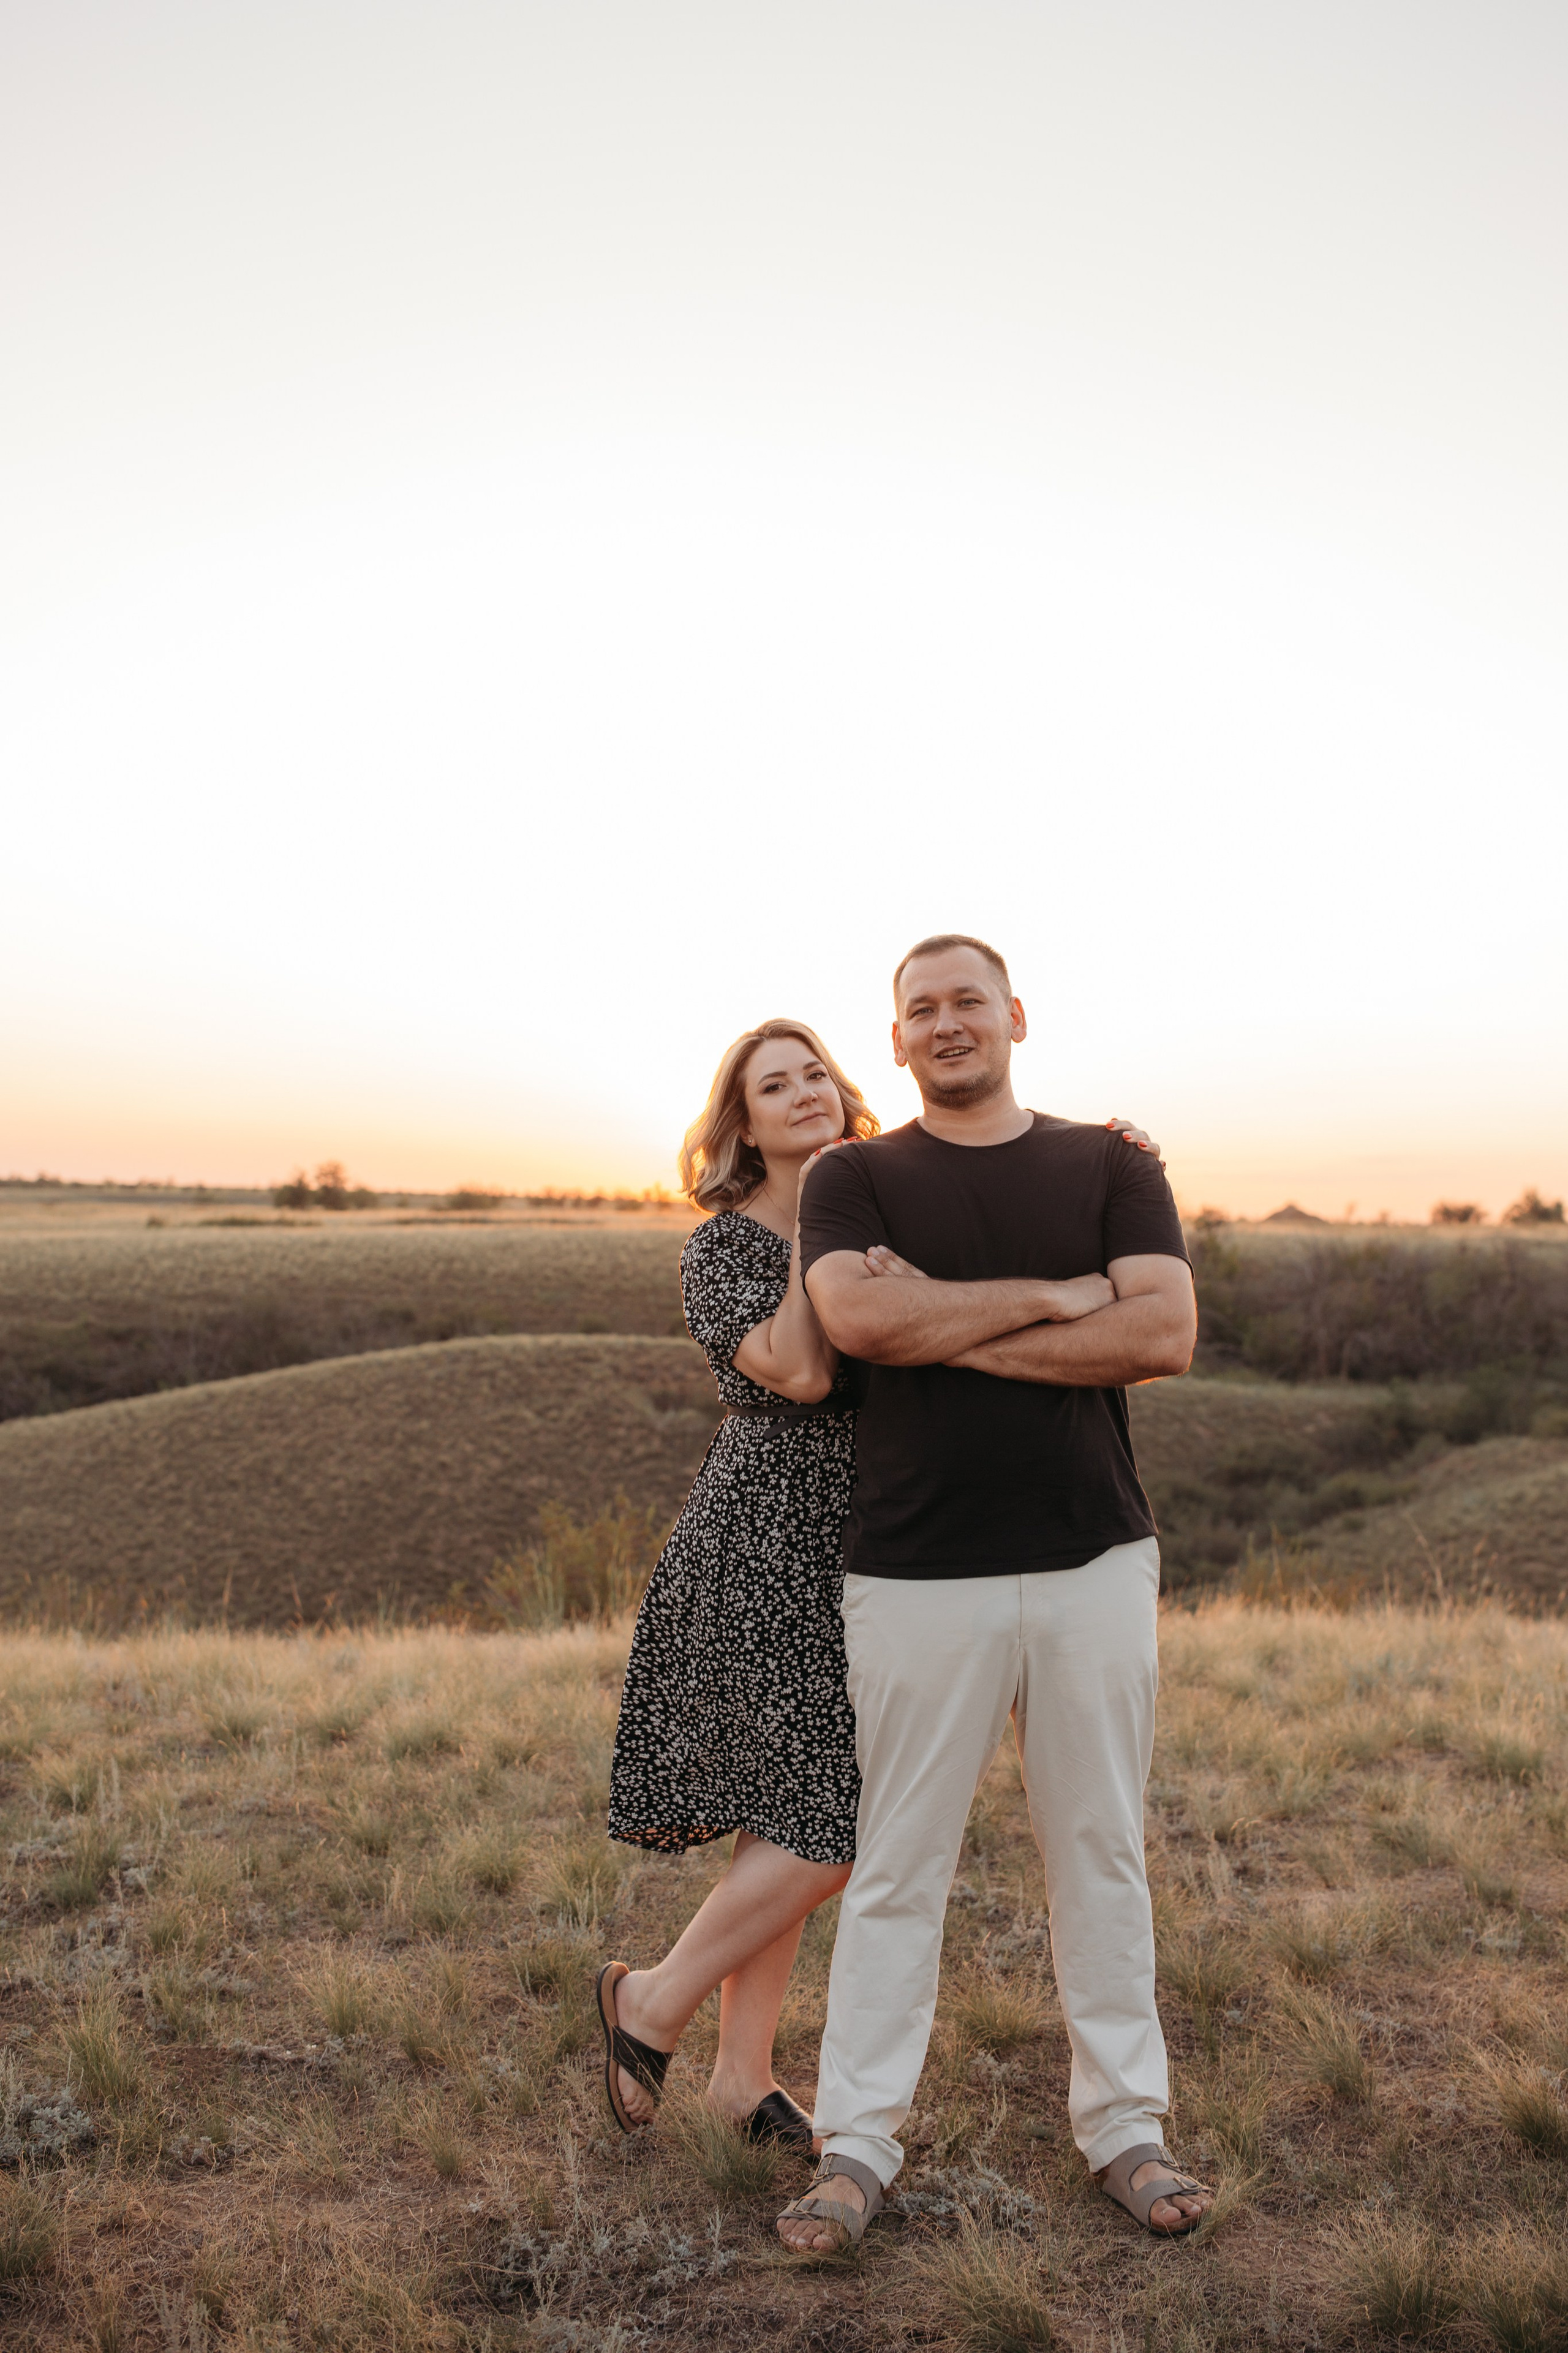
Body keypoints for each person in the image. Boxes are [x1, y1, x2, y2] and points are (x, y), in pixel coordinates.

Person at [596, 1014, 1163, 2154]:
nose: (803, 1092)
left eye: (816, 1073)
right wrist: (825, 1237)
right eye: (774, 1085)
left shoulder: (887, 1193)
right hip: (765, 1543)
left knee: (793, 1809)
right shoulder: (723, 1248)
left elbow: (986, 1231)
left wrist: (1109, 1156)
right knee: (833, 1824)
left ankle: (741, 2076)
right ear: (741, 1123)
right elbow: (804, 1370)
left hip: (887, 1533)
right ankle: (647, 2000)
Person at [775, 934, 1213, 2251]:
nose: (947, 1022)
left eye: (968, 999)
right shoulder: (852, 1175)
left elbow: (1162, 1333)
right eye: (921, 1010)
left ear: (1015, 1015)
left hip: (1092, 1555)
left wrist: (952, 1324)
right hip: (911, 1568)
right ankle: (854, 2148)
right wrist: (1057, 1301)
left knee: (1099, 1850)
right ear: (895, 1041)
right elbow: (855, 1324)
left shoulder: (1110, 1162)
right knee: (898, 1865)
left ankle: (1124, 2129)